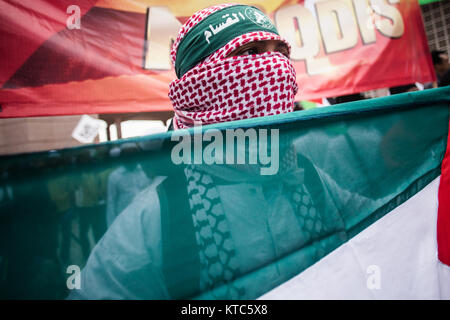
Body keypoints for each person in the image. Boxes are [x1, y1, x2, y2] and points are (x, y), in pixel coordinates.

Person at [68, 4, 352, 300]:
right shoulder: (157, 218)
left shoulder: (310, 179)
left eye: (280, 52)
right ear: (202, 82)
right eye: (251, 53)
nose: (277, 67)